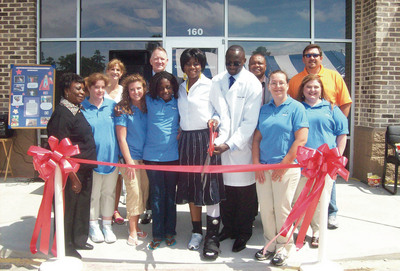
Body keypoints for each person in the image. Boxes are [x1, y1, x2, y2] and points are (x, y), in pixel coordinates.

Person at [288, 44, 352, 228]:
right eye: (308, 55)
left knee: (326, 189)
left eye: (315, 55)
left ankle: (331, 214)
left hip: (326, 150)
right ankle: (302, 222)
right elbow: (293, 105)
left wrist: (331, 125)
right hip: (304, 155)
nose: (312, 58)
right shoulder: (295, 80)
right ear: (303, 58)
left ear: (321, 57)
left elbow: (345, 103)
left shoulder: (334, 77)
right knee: (303, 189)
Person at [175, 48, 230, 257]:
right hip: (187, 141)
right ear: (183, 67)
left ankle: (212, 236)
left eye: (196, 63)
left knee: (210, 189)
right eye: (188, 63)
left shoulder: (211, 85)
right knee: (191, 187)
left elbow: (221, 112)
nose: (192, 67)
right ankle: (197, 231)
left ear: (202, 65)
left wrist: (215, 121)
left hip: (206, 139)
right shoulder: (180, 88)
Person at [252, 70, 308, 266]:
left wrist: (283, 166)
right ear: (268, 86)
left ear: (287, 85)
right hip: (264, 168)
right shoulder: (264, 109)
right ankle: (269, 243)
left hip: (286, 168)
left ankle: (284, 246)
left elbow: (301, 140)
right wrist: (257, 165)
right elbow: (257, 138)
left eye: (281, 83)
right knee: (266, 209)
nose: (277, 86)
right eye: (273, 83)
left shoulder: (296, 108)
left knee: (282, 208)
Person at [209, 45, 262, 254]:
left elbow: (249, 122)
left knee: (244, 194)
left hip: (241, 149)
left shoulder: (252, 84)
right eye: (229, 62)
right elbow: (214, 108)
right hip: (222, 146)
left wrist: (230, 144)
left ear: (244, 61)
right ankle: (229, 227)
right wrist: (214, 122)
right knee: (227, 192)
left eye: (236, 63)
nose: (232, 66)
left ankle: (243, 232)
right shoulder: (217, 80)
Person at [292, 74, 348, 247]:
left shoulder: (331, 108)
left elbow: (342, 134)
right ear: (303, 89)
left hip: (324, 165)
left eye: (316, 87)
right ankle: (299, 229)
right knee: (299, 199)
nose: (312, 90)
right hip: (302, 164)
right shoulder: (296, 108)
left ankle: (317, 232)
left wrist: (336, 158)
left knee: (321, 201)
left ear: (321, 89)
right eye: (308, 87)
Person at [47, 73, 97, 259]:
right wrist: (74, 177)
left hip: (85, 168)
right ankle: (65, 244)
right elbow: (58, 149)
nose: (82, 92)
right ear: (66, 91)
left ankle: (79, 239)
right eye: (77, 88)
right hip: (69, 173)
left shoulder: (76, 109)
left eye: (83, 88)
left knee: (81, 205)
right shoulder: (62, 114)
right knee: (67, 208)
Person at [81, 73, 120, 244]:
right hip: (92, 159)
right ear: (88, 88)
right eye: (96, 87)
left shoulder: (113, 106)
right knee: (93, 194)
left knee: (109, 193)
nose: (99, 90)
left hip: (111, 158)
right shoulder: (82, 107)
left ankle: (107, 225)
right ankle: (93, 225)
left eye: (103, 87)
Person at [143, 71, 179, 250]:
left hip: (173, 157)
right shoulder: (149, 101)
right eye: (162, 87)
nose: (165, 90)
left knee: (170, 196)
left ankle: (170, 232)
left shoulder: (178, 102)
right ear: (155, 89)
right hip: (152, 158)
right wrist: (120, 106)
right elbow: (129, 98)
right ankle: (157, 233)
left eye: (168, 87)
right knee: (157, 196)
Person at [115, 74, 149, 246]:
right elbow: (122, 139)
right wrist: (128, 162)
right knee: (134, 194)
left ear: (144, 89)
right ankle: (132, 231)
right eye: (132, 89)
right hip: (131, 159)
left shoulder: (148, 107)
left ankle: (137, 227)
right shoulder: (123, 109)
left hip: (147, 159)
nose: (136, 92)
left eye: (139, 88)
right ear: (127, 92)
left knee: (143, 193)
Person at [140, 46, 170, 225]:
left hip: (167, 143)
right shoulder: (143, 84)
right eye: (156, 58)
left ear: (167, 62)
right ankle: (149, 209)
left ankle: (164, 212)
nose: (159, 61)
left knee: (164, 183)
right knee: (150, 180)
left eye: (162, 59)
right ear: (150, 61)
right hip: (146, 138)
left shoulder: (174, 83)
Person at [105, 59, 127, 226]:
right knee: (102, 173)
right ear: (107, 71)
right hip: (103, 136)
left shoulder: (124, 91)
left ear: (121, 73)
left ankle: (115, 209)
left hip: (119, 136)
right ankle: (101, 208)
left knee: (118, 175)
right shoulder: (100, 89)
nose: (115, 72)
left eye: (118, 70)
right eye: (112, 69)